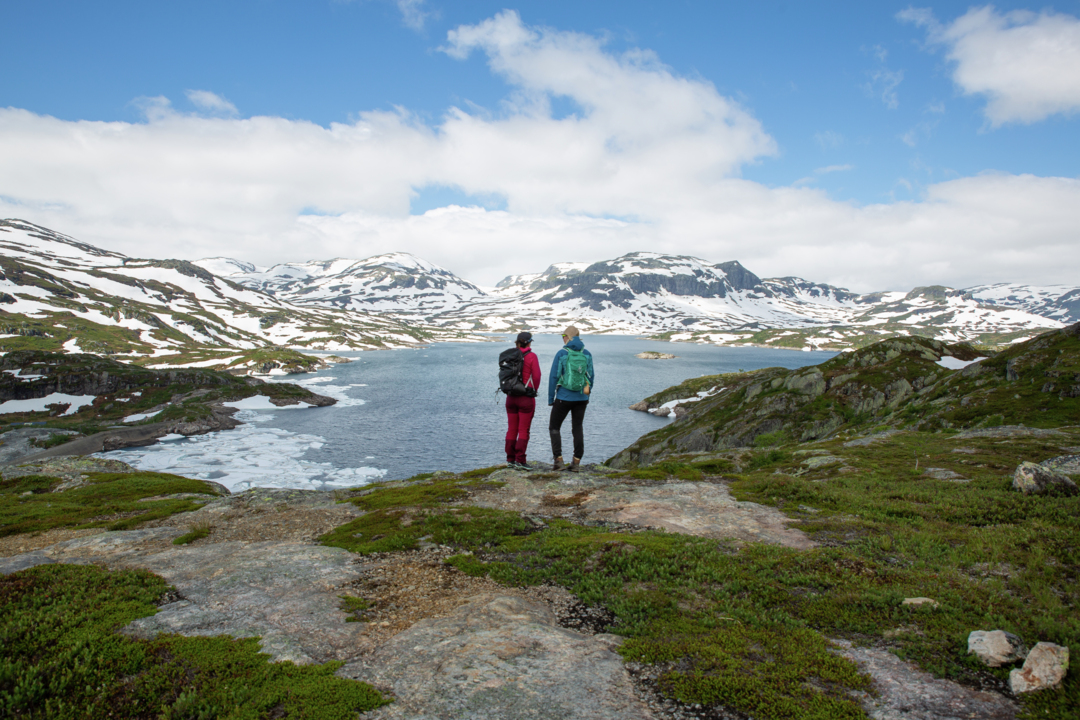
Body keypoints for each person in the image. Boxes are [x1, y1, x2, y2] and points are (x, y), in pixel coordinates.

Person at [548, 325, 594, 472]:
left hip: (563, 397)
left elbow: (553, 377)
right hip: (581, 398)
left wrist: (551, 398)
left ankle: (559, 461)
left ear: (568, 337)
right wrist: (587, 391)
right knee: (577, 428)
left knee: (554, 427)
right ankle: (576, 462)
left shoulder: (561, 353)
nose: (563, 338)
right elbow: (591, 376)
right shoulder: (587, 353)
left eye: (563, 336)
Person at [505, 331, 541, 469]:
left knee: (511, 429)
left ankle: (510, 459)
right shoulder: (531, 356)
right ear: (529, 342)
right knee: (523, 430)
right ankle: (520, 460)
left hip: (511, 398)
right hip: (525, 397)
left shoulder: (510, 355)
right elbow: (536, 376)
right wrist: (534, 390)